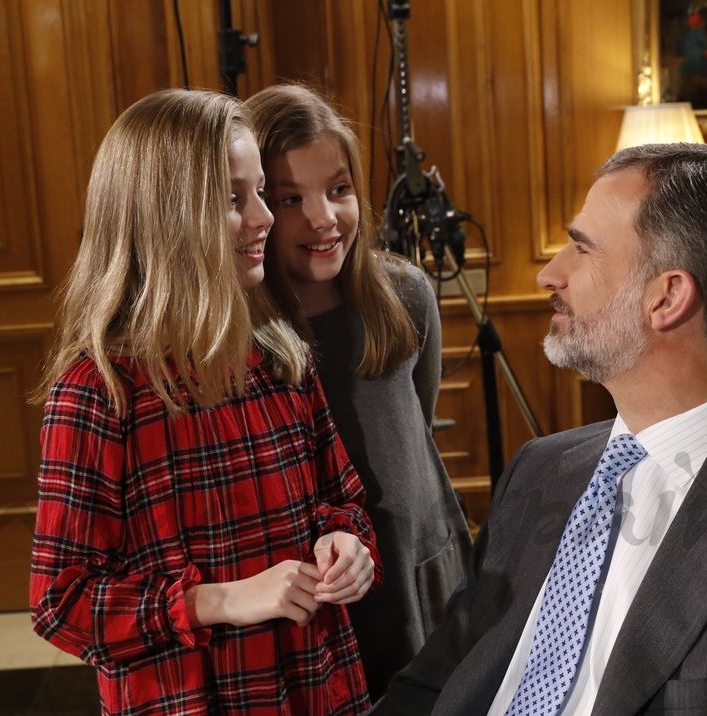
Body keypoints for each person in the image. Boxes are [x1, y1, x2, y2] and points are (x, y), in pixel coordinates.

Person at [372, 143, 707, 714]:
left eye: (582, 250)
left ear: (667, 297)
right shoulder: (540, 469)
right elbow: (431, 685)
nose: (549, 273)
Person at [28, 88, 381, 716]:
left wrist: (347, 545)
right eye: (231, 199)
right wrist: (219, 600)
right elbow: (61, 605)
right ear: (162, 217)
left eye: (261, 195)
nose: (265, 218)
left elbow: (343, 500)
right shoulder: (98, 391)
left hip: (316, 687)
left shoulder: (281, 355)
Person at [244, 83, 472, 700]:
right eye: (291, 198)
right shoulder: (247, 334)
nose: (324, 218)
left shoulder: (405, 295)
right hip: (325, 589)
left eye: (339, 189)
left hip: (422, 566)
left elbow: (416, 430)